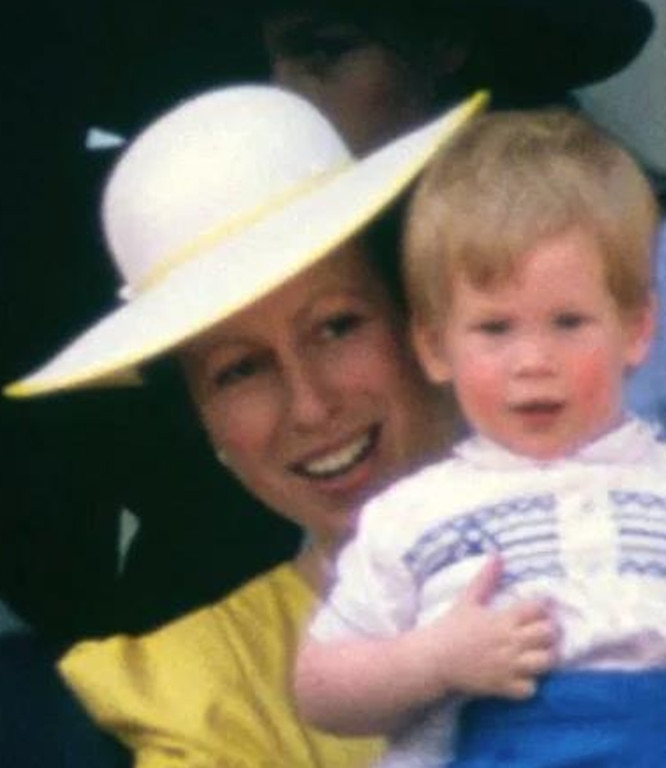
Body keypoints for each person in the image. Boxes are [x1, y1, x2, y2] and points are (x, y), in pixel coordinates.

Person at [294, 108, 666, 768]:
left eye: (568, 322)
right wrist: (429, 661)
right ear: (435, 348)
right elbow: (321, 685)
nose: (532, 360)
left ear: (635, 329)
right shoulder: (410, 516)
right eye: (495, 329)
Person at [4, 84, 490, 766]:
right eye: (239, 371)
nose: (310, 405)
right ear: (204, 422)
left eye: (336, 326)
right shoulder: (208, 687)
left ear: (423, 319)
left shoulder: (658, 511)